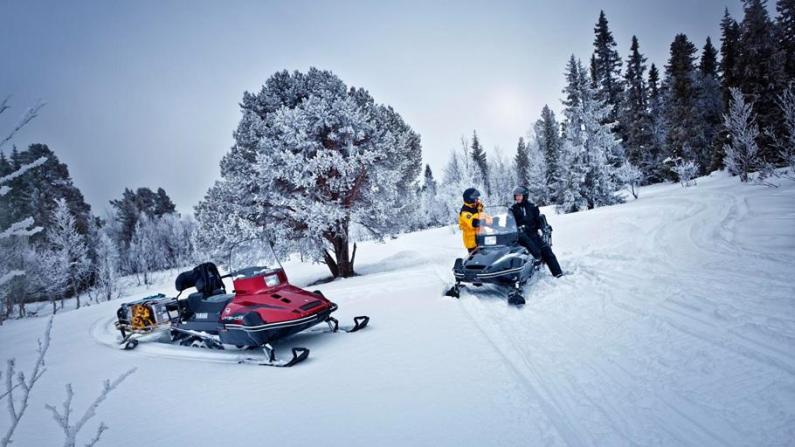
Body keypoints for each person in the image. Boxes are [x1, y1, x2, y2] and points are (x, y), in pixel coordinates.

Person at [509, 186, 563, 277]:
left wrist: (542, 228)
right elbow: (508, 222)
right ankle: (536, 256)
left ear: (525, 196)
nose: (517, 197)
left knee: (547, 250)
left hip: (532, 234)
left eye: (519, 195)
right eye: (516, 196)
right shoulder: (512, 209)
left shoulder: (532, 207)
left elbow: (538, 220)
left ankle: (558, 273)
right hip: (519, 236)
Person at [458, 188, 491, 253]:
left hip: (482, 237)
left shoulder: (478, 207)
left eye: (477, 198)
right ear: (469, 199)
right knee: (476, 260)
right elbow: (473, 223)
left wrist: (494, 221)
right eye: (475, 198)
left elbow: (485, 217)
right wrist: (484, 222)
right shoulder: (465, 212)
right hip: (472, 242)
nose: (477, 199)